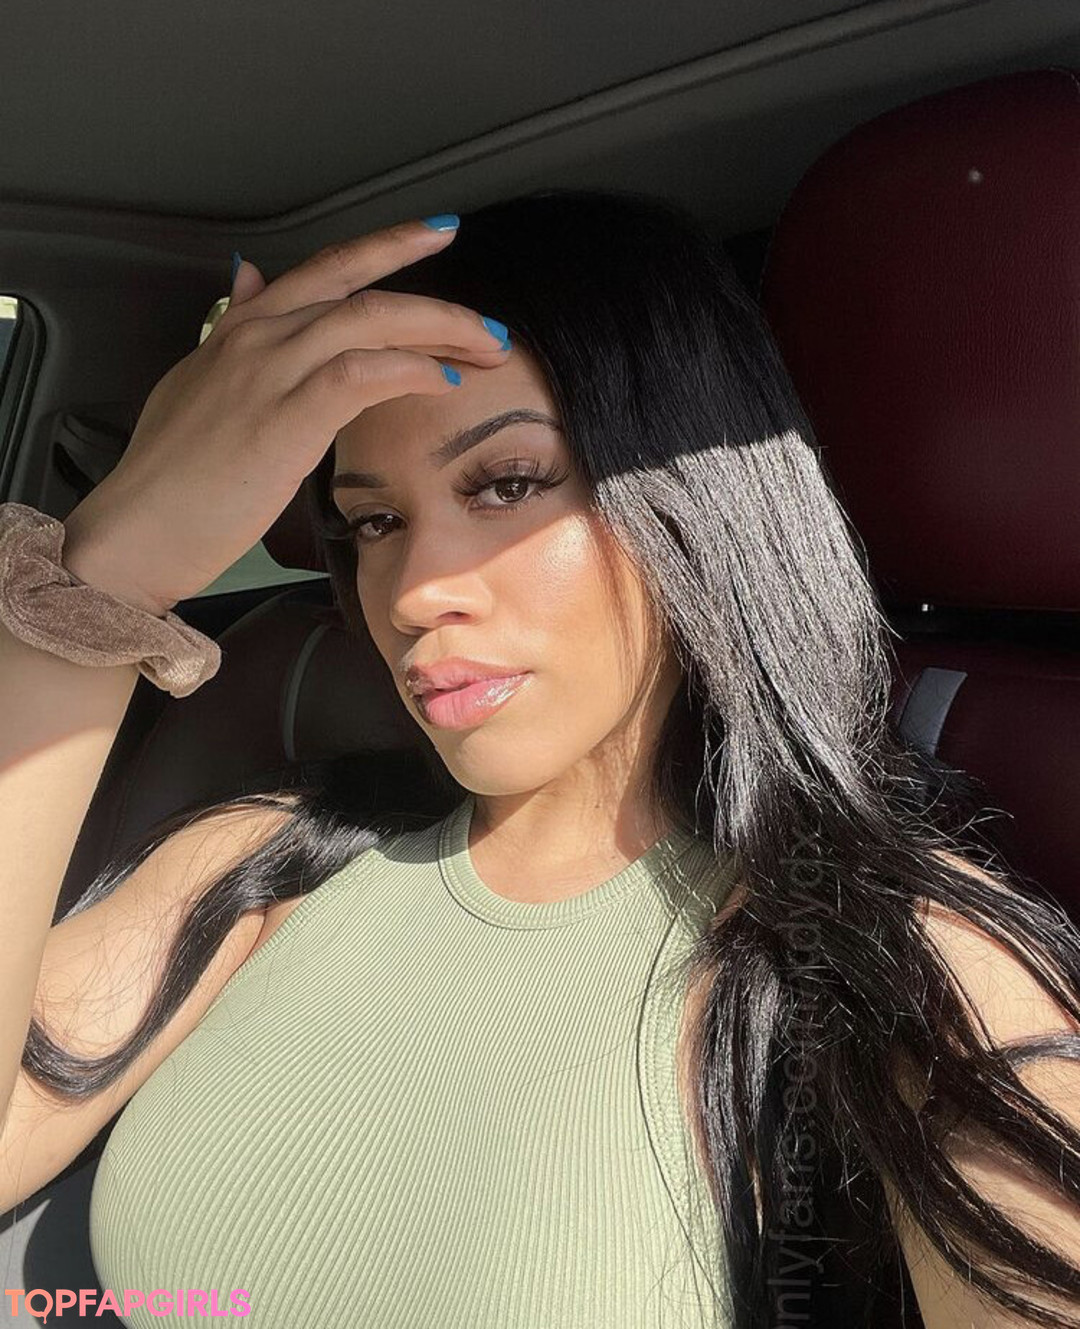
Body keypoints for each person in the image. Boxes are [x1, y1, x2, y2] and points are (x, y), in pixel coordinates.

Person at [1, 189, 1079, 1329]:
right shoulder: (262, 859)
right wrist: (105, 583)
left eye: (508, 484)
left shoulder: (899, 970)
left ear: (693, 505)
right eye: (374, 523)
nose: (414, 594)